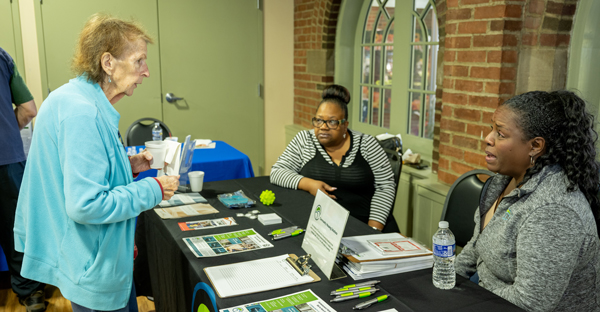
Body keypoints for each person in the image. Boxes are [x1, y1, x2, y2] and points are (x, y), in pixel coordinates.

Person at [13, 14, 180, 312]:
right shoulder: (83, 114)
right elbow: (86, 204)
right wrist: (154, 188)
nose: (147, 72)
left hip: (91, 258)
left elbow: (78, 172)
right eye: (139, 61)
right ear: (108, 63)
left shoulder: (77, 99)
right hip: (93, 266)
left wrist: (127, 165)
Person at [455, 90, 600, 312]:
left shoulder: (554, 211)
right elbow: (477, 245)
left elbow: (530, 303)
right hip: (483, 296)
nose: (488, 138)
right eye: (491, 128)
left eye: (500, 134)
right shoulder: (502, 181)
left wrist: (471, 296)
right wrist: (446, 278)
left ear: (535, 146)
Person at [270, 85, 398, 232]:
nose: (323, 127)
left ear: (345, 125)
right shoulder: (305, 140)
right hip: (318, 228)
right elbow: (277, 172)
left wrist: (372, 229)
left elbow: (385, 187)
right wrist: (309, 184)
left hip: (363, 224)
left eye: (332, 122)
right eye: (318, 120)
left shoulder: (367, 144)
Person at [0, 47, 46, 312]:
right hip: (7, 158)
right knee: (16, 229)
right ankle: (31, 293)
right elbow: (28, 109)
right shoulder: (2, 57)